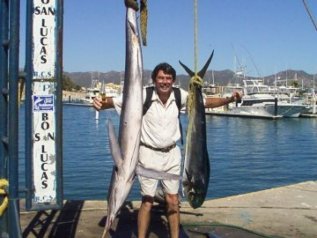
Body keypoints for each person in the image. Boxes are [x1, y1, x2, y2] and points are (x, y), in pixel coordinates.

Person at [93, 62, 241, 238]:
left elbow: (206, 102)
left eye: (168, 78)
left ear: (173, 80)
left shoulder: (180, 95)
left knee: (173, 201)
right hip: (148, 154)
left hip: (172, 154)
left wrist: (230, 99)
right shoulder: (144, 95)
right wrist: (100, 103)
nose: (165, 82)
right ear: (154, 80)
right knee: (147, 201)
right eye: (161, 78)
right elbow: (118, 101)